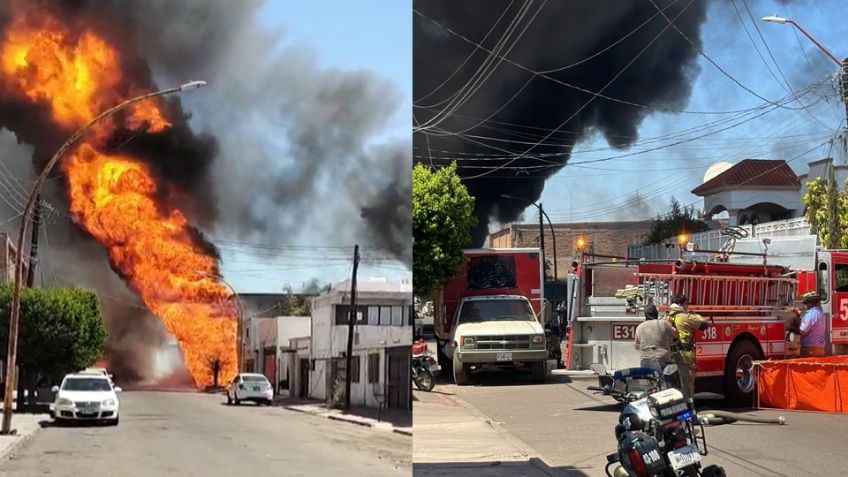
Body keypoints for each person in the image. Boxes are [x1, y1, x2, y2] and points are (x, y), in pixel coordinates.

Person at [667, 294, 709, 399]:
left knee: (675, 385)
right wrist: (695, 314)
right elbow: (704, 323)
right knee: (688, 384)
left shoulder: (667, 316)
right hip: (686, 357)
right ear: (681, 305)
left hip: (671, 356)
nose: (688, 307)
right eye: (687, 304)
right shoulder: (686, 317)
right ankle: (689, 408)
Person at [798, 291, 826, 357]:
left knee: (806, 367)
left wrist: (794, 328)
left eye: (805, 303)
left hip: (809, 349)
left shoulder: (810, 314)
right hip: (820, 348)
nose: (805, 305)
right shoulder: (820, 313)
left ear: (809, 303)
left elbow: (802, 331)